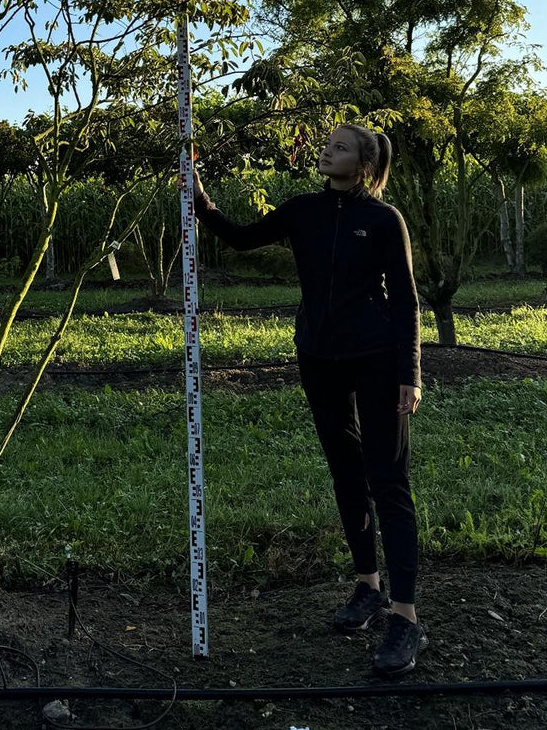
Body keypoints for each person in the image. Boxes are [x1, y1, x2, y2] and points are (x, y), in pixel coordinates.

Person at [193, 124, 426, 678]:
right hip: (318, 358)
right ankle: (368, 586)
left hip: (375, 357)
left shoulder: (383, 219)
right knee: (345, 473)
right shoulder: (302, 210)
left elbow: (408, 301)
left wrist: (409, 373)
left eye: (340, 146)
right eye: (327, 144)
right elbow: (240, 237)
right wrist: (196, 194)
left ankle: (405, 617)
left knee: (387, 481)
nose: (327, 150)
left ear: (365, 162)